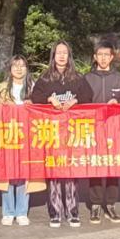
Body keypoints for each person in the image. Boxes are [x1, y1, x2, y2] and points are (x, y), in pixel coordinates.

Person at [31, 41, 93, 228]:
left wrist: (75, 100)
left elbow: (89, 96)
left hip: (72, 131)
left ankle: (73, 212)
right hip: (52, 132)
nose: (61, 56)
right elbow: (35, 98)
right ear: (53, 55)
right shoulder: (45, 78)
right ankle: (55, 212)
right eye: (58, 52)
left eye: (65, 52)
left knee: (71, 171)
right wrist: (49, 99)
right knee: (54, 171)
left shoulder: (78, 77)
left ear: (69, 55)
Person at [0, 54, 44, 226]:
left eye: (22, 65)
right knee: (7, 171)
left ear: (27, 68)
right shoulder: (2, 87)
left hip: (27, 135)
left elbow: (41, 108)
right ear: (10, 69)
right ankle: (8, 211)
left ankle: (21, 211)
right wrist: (3, 107)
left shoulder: (34, 87)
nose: (19, 69)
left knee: (24, 172)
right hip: (7, 134)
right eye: (15, 65)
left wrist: (32, 104)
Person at [84, 40, 120, 224]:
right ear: (95, 57)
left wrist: (118, 103)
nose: (103, 58)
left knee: (112, 164)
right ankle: (95, 204)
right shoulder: (87, 77)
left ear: (111, 57)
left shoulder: (118, 77)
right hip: (93, 127)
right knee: (95, 164)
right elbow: (82, 101)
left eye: (106, 55)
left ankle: (110, 204)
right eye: (99, 55)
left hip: (113, 127)